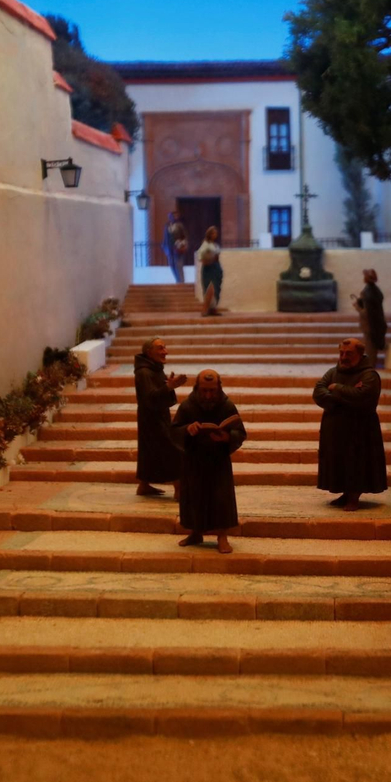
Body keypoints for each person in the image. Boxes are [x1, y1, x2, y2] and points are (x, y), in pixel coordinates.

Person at [174, 369, 246, 552]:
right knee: (193, 497)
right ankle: (195, 532)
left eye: (212, 391)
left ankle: (222, 536)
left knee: (221, 498)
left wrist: (227, 437)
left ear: (218, 388)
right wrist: (187, 430)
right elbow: (173, 431)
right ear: (197, 388)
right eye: (204, 391)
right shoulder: (188, 406)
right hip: (194, 460)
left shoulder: (227, 406)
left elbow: (240, 432)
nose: (208, 395)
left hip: (218, 462)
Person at [313, 338, 388, 512]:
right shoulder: (332, 372)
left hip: (359, 430)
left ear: (360, 354)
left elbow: (363, 397)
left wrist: (336, 388)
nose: (344, 357)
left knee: (357, 462)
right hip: (335, 429)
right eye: (341, 353)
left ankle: (354, 497)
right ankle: (346, 493)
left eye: (349, 353)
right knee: (338, 461)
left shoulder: (369, 375)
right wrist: (344, 396)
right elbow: (318, 392)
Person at [134, 337, 187, 497]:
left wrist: (168, 387)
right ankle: (179, 488)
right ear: (149, 352)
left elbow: (159, 393)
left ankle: (144, 485)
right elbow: (149, 397)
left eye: (165, 347)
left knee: (149, 451)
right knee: (170, 449)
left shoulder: (154, 368)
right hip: (151, 417)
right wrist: (169, 387)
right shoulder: (144, 372)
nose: (165, 352)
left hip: (157, 415)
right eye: (160, 348)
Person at [351, 269, 388, 366]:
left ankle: (370, 371)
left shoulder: (367, 293)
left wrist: (357, 307)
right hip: (378, 323)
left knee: (370, 349)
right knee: (372, 349)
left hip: (369, 325)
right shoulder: (377, 291)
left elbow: (366, 313)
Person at [196, 226, 223, 316]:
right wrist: (205, 260)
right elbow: (200, 254)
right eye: (213, 233)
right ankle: (205, 308)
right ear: (209, 234)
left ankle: (213, 309)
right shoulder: (206, 244)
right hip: (208, 268)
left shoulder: (215, 244)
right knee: (209, 288)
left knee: (215, 288)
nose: (215, 234)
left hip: (216, 267)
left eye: (216, 233)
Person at [164, 212, 188, 284]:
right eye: (171, 216)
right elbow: (165, 237)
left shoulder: (180, 226)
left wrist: (181, 243)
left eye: (174, 216)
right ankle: (177, 279)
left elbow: (185, 236)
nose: (173, 217)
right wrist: (164, 246)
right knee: (172, 265)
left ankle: (181, 281)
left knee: (178, 265)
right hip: (169, 249)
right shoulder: (167, 226)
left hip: (178, 248)